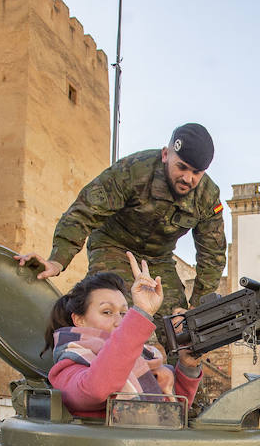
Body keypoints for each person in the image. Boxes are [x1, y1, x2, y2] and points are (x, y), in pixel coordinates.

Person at [18, 123, 226, 313]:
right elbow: (85, 210)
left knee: (175, 327)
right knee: (113, 306)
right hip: (113, 245)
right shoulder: (134, 170)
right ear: (165, 155)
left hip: (158, 260)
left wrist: (196, 306)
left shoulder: (207, 197)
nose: (187, 178)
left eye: (196, 173)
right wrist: (57, 261)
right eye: (181, 167)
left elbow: (212, 255)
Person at [44, 256, 204, 418]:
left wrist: (187, 365)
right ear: (79, 320)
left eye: (124, 314)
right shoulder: (68, 368)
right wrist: (141, 313)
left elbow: (169, 413)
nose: (119, 322)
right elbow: (96, 388)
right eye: (107, 312)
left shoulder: (141, 362)